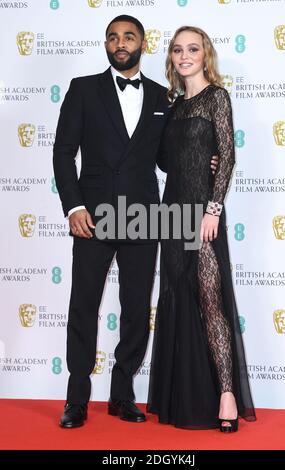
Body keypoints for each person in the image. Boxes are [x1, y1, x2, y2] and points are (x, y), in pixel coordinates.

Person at [53, 15, 219, 429]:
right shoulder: (83, 90)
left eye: (128, 36)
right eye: (113, 37)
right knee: (83, 306)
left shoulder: (165, 97)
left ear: (143, 43)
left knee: (134, 308)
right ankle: (76, 398)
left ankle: (122, 395)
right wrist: (74, 208)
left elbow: (166, 158)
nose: (120, 43)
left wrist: (203, 159)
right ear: (106, 44)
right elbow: (62, 153)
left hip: (144, 215)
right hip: (93, 215)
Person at [147, 26, 256, 432]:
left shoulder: (217, 98)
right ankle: (185, 398)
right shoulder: (171, 105)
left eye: (192, 48)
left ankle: (226, 394)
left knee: (209, 296)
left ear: (205, 53)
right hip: (171, 212)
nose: (184, 55)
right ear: (172, 57)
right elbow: (163, 161)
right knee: (178, 294)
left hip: (202, 214)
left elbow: (227, 157)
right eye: (177, 50)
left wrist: (213, 209)